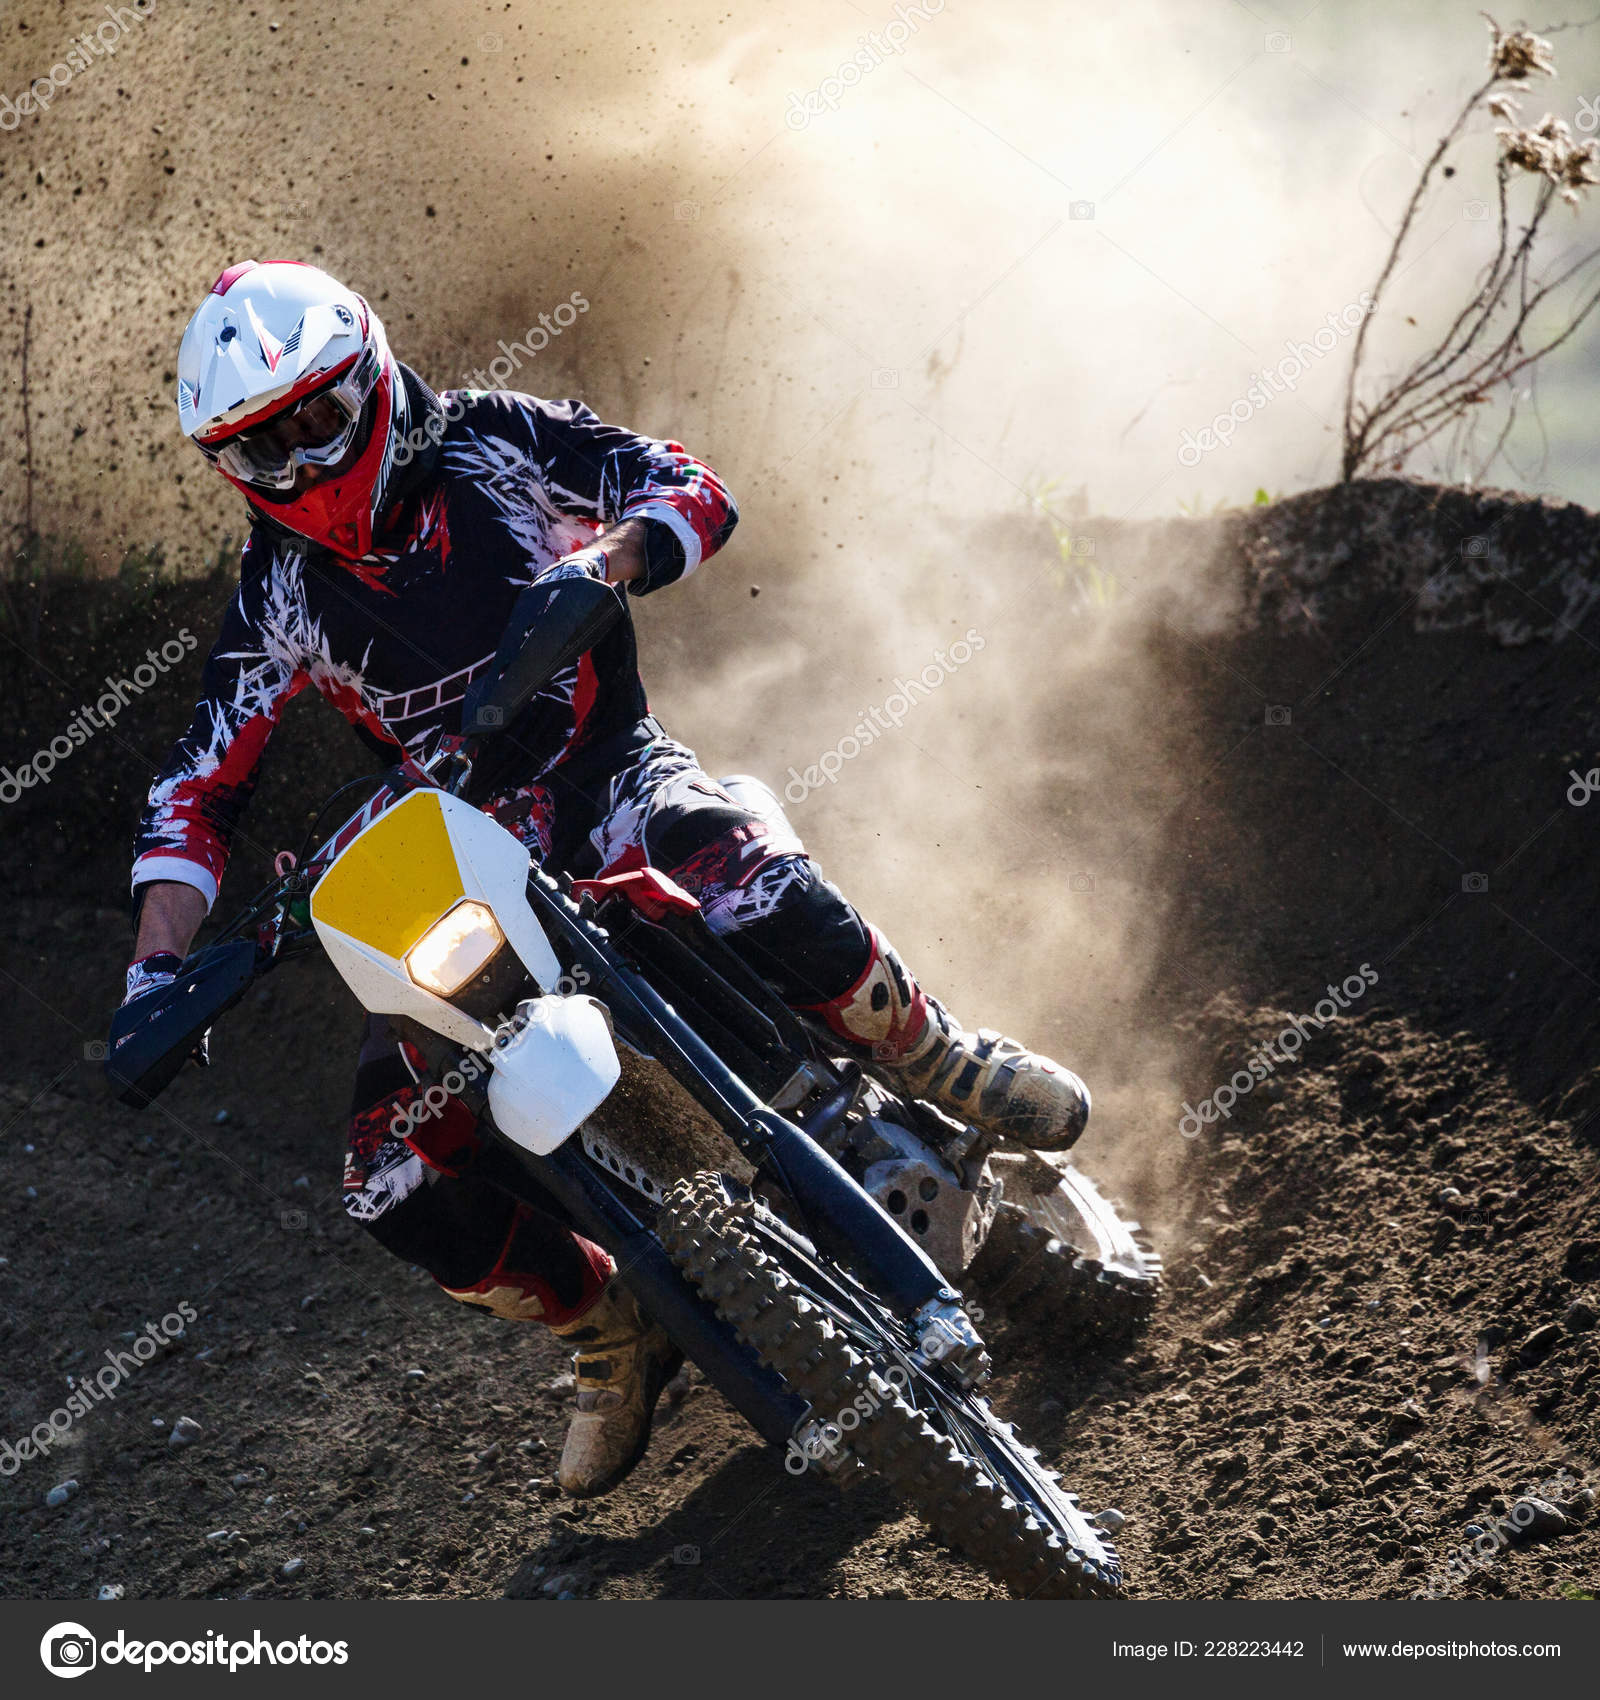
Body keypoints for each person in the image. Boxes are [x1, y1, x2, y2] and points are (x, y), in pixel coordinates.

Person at [115, 260, 1091, 1497]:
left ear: (368, 380)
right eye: (263, 451)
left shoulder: (496, 442)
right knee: (388, 1173)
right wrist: (157, 971)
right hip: (470, 861)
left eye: (314, 420)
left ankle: (933, 1050)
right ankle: (607, 1321)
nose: (301, 468)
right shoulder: (277, 594)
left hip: (614, 779)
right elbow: (194, 794)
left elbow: (690, 484)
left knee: (750, 883)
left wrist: (610, 558)